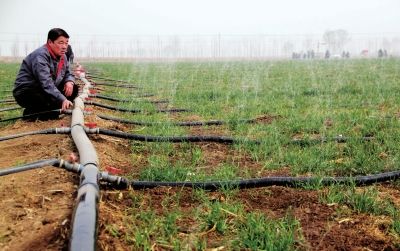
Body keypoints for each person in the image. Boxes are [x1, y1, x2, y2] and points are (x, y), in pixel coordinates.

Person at [13, 28, 78, 120]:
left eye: (66, 43)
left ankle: (50, 110)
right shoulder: (40, 56)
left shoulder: (63, 57)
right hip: (28, 90)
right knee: (43, 101)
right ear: (50, 42)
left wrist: (69, 82)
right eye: (61, 42)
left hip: (45, 89)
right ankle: (32, 114)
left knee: (73, 89)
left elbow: (68, 73)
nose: (64, 46)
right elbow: (46, 82)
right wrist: (62, 99)